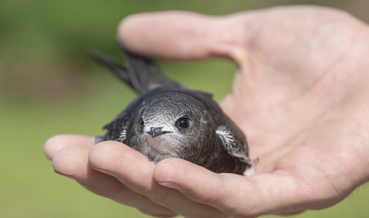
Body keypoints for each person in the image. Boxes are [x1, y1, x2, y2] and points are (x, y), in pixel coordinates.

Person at [44, 5, 369, 217]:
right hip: (156, 94)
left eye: (180, 125)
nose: (152, 133)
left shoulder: (221, 135)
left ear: (199, 125)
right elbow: (143, 125)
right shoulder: (133, 131)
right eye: (146, 126)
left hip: (173, 96)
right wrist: (107, 138)